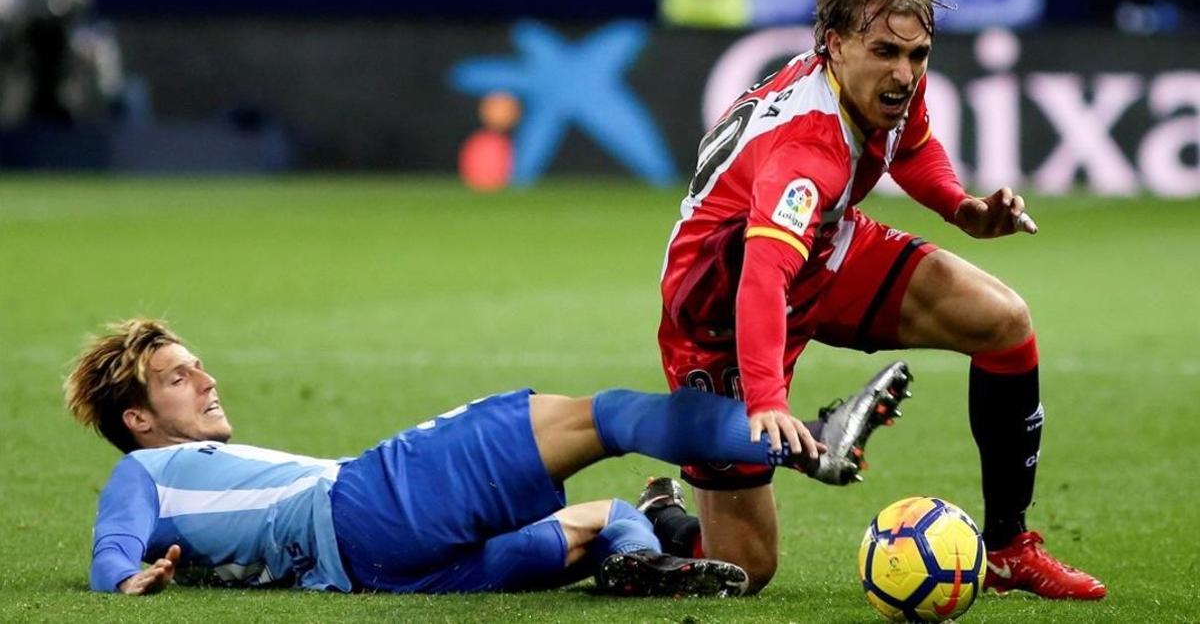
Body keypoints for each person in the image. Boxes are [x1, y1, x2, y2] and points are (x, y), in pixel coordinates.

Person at [648, 0, 1105, 600]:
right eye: (887, 52)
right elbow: (760, 279)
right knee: (745, 568)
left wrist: (964, 210)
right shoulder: (806, 151)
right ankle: (654, 521)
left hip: (825, 251)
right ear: (835, 46)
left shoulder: (876, 91)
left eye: (918, 56)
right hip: (720, 313)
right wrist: (768, 402)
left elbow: (912, 146)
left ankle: (1007, 547)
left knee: (1002, 321)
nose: (905, 73)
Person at [65, 317, 907, 597]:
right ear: (138, 417)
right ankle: (803, 443)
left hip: (390, 572)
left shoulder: (197, 471)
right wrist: (123, 579)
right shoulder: (140, 473)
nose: (206, 379)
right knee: (605, 416)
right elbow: (111, 550)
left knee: (605, 519)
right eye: (179, 378)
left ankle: (650, 550)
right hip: (367, 507)